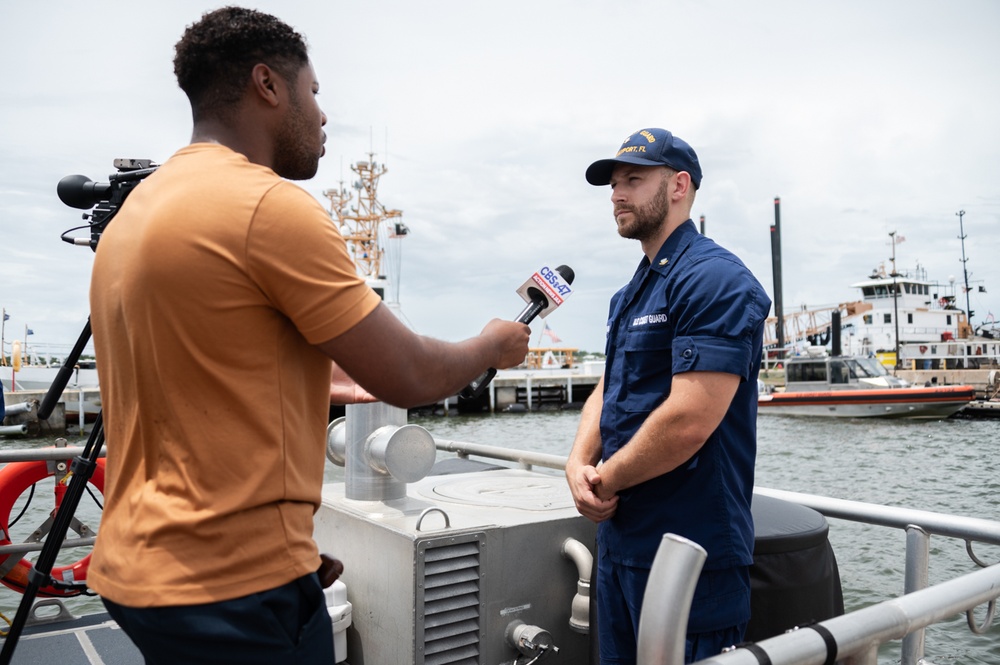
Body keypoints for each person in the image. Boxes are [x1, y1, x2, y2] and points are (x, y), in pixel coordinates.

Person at [86, 7, 529, 664]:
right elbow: (406, 373)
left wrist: (283, 535)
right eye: (314, 93)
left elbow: (204, 381)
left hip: (138, 570)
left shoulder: (134, 215)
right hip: (230, 593)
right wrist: (492, 344)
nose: (322, 115)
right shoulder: (265, 205)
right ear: (268, 85)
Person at [565, 128, 770, 664]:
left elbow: (688, 421)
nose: (617, 194)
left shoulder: (715, 279)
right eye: (613, 184)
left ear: (679, 186)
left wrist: (602, 480)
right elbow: (609, 386)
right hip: (621, 547)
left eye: (633, 179)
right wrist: (577, 461)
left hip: (690, 555)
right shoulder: (629, 293)